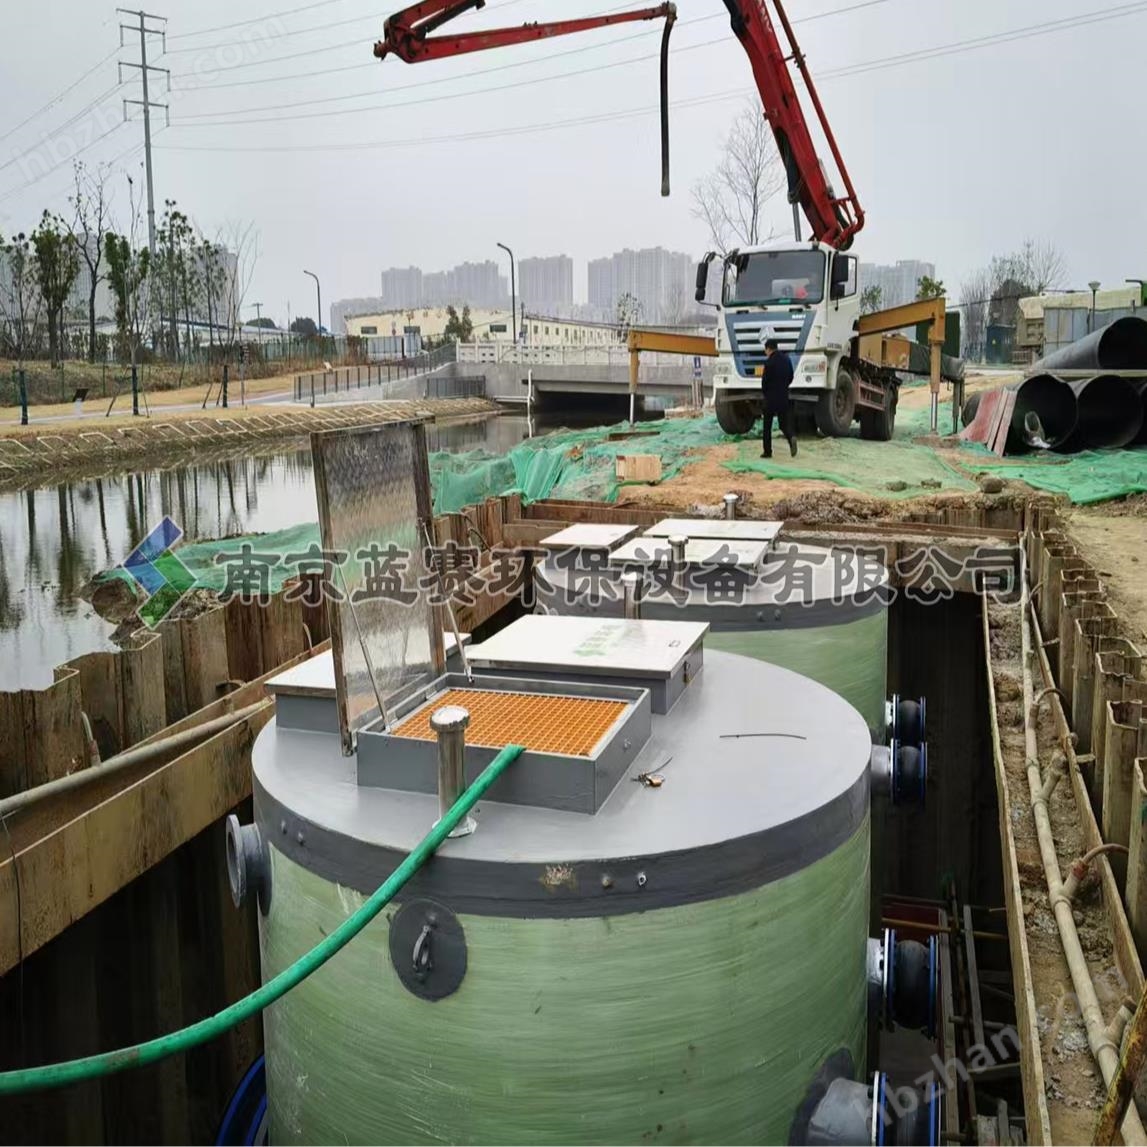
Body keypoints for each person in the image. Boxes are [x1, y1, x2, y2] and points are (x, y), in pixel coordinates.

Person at [761, 337, 797, 458]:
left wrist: (765, 394)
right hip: (783, 396)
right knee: (783, 424)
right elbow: (791, 376)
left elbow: (764, 383)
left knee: (767, 426)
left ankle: (767, 451)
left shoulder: (769, 362)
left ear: (768, 349)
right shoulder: (786, 360)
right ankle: (791, 437)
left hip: (770, 398)